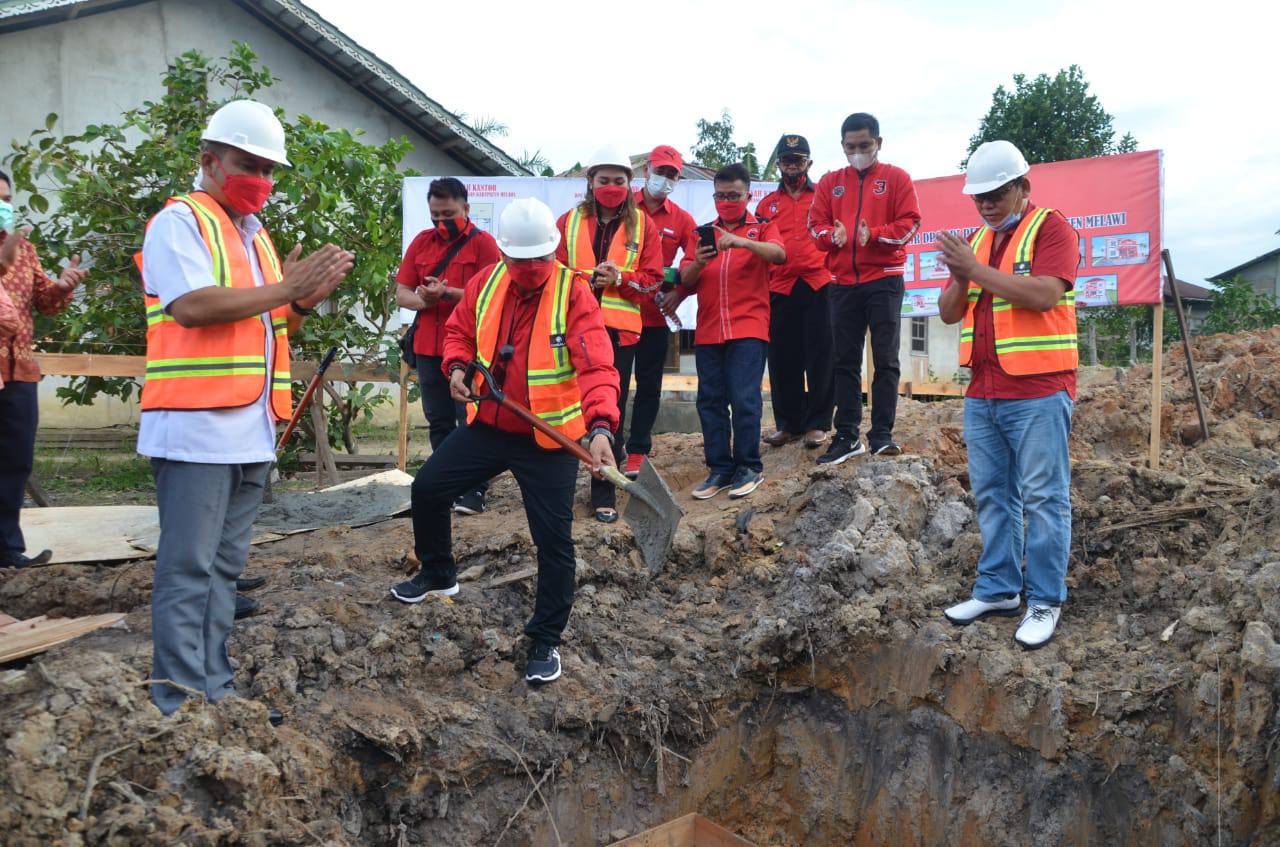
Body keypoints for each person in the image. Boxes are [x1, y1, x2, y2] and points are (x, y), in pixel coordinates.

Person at [137, 100, 354, 715]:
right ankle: (178, 702)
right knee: (189, 572)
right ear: (209, 160)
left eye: (267, 168)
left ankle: (216, 691)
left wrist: (301, 300)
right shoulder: (180, 223)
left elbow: (268, 319)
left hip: (252, 429)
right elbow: (193, 307)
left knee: (224, 572)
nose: (259, 178)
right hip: (196, 430)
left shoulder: (254, 238)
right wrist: (287, 286)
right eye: (246, 163)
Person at [391, 198, 620, 685]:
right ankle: (438, 575)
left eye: (540, 258)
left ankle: (545, 639)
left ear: (552, 251)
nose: (531, 268)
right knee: (428, 488)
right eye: (521, 260)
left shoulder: (574, 294)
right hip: (492, 426)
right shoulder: (486, 282)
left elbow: (598, 367)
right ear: (505, 254)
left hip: (551, 441)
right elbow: (459, 333)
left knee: (553, 542)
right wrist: (456, 367)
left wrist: (600, 428)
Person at [936, 140, 1079, 650]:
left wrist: (973, 270)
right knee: (994, 495)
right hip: (984, 388)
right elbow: (951, 312)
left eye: (997, 193)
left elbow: (1043, 294)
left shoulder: (1051, 228)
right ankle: (999, 589)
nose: (987, 204)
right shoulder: (976, 241)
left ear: (1023, 187)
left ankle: (1045, 598)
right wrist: (960, 276)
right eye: (979, 197)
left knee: (1044, 498)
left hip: (1039, 389)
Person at [665, 163, 785, 500]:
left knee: (744, 399)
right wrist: (701, 261)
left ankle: (749, 466)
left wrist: (743, 243)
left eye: (733, 195)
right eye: (720, 195)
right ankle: (720, 468)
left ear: (748, 195)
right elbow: (686, 278)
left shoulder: (762, 227)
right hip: (708, 330)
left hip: (749, 328)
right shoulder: (702, 233)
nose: (726, 201)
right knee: (710, 401)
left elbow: (780, 254)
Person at [556, 146, 662, 522]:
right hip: (573, 328)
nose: (611, 187)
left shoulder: (644, 225)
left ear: (630, 184)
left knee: (608, 412)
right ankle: (560, 490)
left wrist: (622, 278)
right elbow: (552, 270)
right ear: (590, 182)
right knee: (567, 409)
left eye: (619, 181)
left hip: (618, 334)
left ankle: (605, 495)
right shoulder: (568, 222)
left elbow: (653, 281)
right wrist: (582, 281)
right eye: (604, 180)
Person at [808, 112, 921, 463]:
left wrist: (876, 234)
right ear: (842, 146)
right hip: (842, 283)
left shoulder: (897, 178)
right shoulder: (830, 183)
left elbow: (911, 223)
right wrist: (833, 236)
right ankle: (846, 435)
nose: (857, 152)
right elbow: (816, 226)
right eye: (850, 146)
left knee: (885, 358)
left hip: (885, 278)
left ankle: (882, 434)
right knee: (844, 361)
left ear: (878, 144)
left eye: (864, 145)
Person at [395, 178, 501, 515]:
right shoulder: (421, 243)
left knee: (469, 417)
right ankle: (445, 486)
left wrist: (448, 294)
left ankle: (474, 490)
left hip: (469, 346)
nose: (441, 223)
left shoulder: (484, 244)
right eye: (435, 216)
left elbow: (491, 293)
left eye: (449, 215)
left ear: (467, 209)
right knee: (438, 419)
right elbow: (402, 293)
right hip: (428, 346)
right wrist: (424, 301)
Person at [0, 169, 85, 568]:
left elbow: (45, 303)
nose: (3, 206)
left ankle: (7, 548)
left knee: (15, 458)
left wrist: (63, 286)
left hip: (20, 369)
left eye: (6, 198)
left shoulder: (25, 250)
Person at [755, 134, 835, 450]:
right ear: (778, 165)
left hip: (819, 283)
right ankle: (788, 424)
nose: (792, 166)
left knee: (821, 356)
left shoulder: (825, 197)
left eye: (798, 160)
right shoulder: (765, 205)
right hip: (780, 286)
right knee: (782, 358)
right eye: (787, 161)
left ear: (809, 163)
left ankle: (818, 424)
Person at [625, 145, 697, 478]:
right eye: (660, 171)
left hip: (654, 318)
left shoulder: (682, 219)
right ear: (645, 171)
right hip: (617, 315)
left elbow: (696, 262)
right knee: (613, 384)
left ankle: (638, 450)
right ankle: (608, 446)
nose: (665, 179)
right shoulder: (622, 208)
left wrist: (678, 291)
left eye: (672, 174)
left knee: (650, 386)